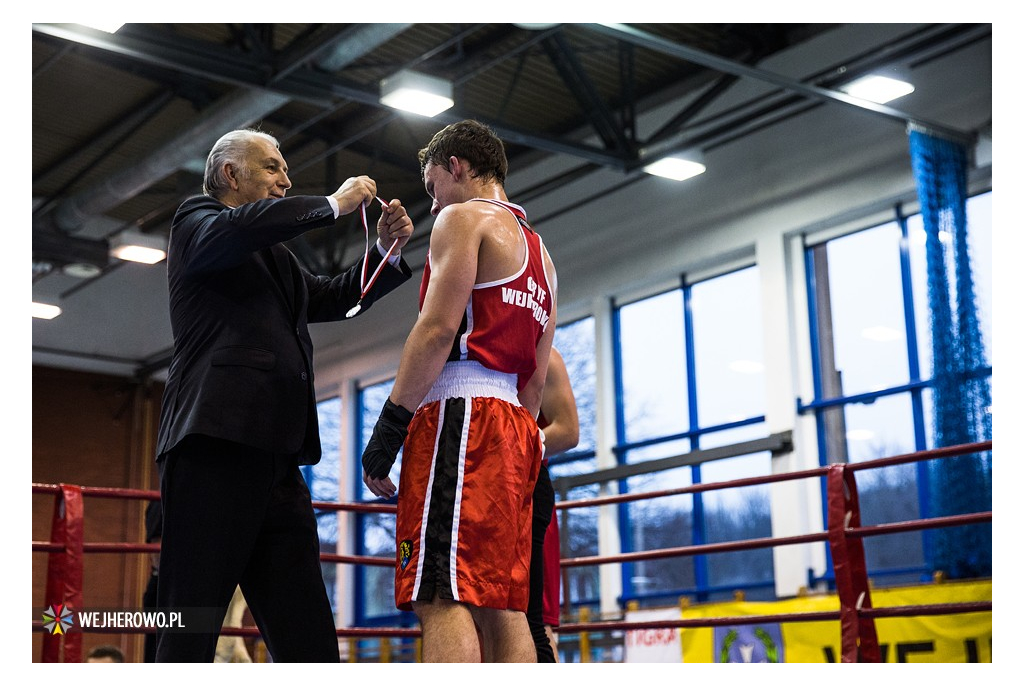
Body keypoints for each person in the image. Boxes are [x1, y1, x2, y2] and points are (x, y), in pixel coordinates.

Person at [154, 128, 414, 663]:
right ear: (230, 174)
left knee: (308, 633)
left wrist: (386, 252)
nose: (285, 179)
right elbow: (241, 228)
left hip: (279, 457)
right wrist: (332, 204)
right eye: (272, 167)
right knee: (191, 620)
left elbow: (335, 298)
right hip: (214, 446)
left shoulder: (276, 259)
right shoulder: (195, 222)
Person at [361, 120, 557, 662]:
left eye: (431, 187)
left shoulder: (462, 217)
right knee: (501, 602)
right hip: (516, 427)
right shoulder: (542, 255)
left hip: (461, 418)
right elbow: (535, 379)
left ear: (456, 167)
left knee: (439, 593)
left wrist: (390, 424)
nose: (432, 204)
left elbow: (436, 329)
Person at [527, 347, 579, 662]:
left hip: (529, 496)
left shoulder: (545, 356)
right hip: (484, 499)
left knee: (538, 623)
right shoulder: (481, 353)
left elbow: (569, 431)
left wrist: (510, 445)